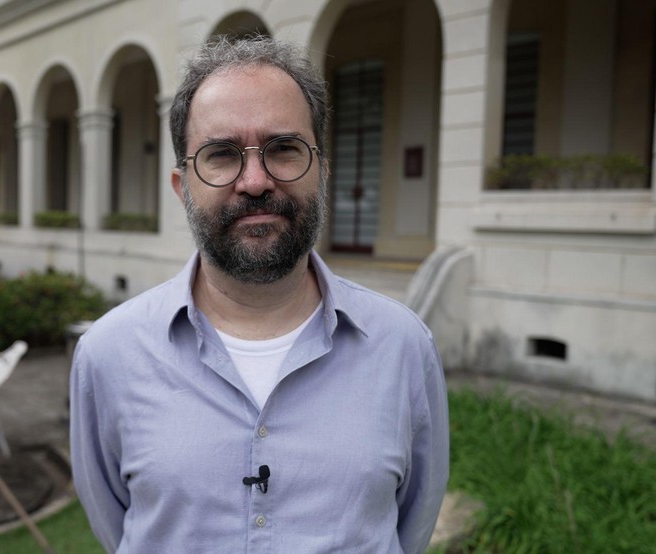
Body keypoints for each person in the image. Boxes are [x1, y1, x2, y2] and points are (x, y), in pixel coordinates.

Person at [70, 35, 449, 553]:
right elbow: (113, 522)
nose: (254, 181)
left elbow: (414, 524)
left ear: (321, 171)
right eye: (222, 155)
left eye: (283, 149)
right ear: (183, 188)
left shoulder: (402, 344)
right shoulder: (109, 353)